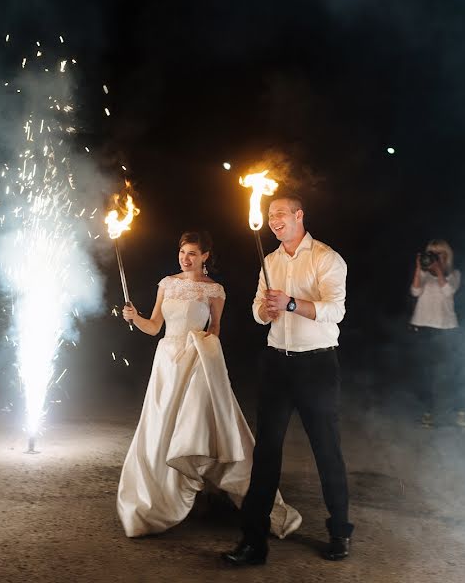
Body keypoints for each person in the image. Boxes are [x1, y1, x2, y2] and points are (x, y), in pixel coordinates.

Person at [117, 231, 301, 539]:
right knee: (160, 424)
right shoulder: (167, 283)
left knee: (195, 425)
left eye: (191, 253)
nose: (185, 258)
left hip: (195, 360)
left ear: (204, 256)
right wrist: (135, 317)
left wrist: (201, 347)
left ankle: (218, 490)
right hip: (166, 362)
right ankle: (157, 497)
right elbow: (153, 328)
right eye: (182, 252)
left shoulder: (214, 290)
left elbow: (214, 330)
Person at [223, 193, 352, 566]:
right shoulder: (269, 261)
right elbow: (257, 312)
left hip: (317, 366)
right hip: (277, 364)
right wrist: (265, 309)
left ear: (299, 216)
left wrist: (292, 303)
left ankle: (340, 531)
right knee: (265, 454)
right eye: (269, 214)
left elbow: (336, 311)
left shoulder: (326, 258)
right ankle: (253, 542)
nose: (273, 219)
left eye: (281, 213)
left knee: (326, 449)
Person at [409, 239, 465, 430]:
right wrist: (418, 269)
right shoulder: (424, 275)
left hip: (446, 329)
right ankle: (428, 413)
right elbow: (414, 291)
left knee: (454, 372)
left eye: (439, 254)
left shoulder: (454, 274)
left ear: (447, 256)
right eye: (432, 254)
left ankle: (459, 413)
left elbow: (448, 291)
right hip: (423, 327)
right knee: (426, 374)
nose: (435, 257)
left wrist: (438, 271)